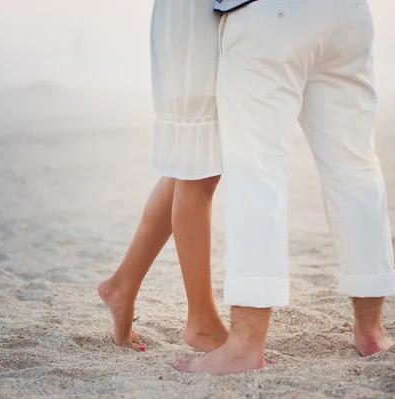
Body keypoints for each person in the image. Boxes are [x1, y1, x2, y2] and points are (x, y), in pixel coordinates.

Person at [176, 0, 395, 375]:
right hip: (347, 15)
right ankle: (371, 331)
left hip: (267, 14)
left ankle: (245, 346)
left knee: (256, 173)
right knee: (356, 167)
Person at [97, 0, 228, 352]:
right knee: (198, 164)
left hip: (201, 17)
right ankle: (201, 320)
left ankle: (123, 284)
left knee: (194, 163)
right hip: (194, 20)